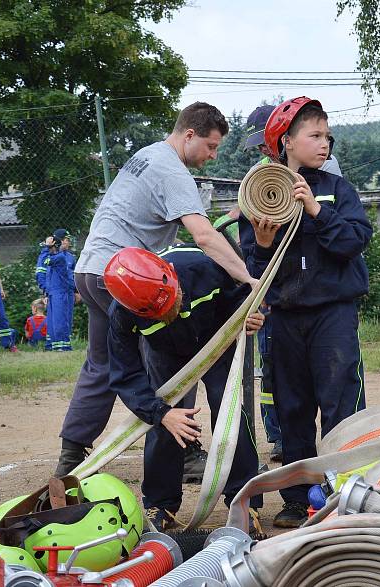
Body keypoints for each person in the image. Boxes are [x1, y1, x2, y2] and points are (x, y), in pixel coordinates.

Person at [54, 102, 257, 478]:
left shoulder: (147, 155)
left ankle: (72, 455)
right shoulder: (173, 172)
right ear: (189, 135)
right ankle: (184, 449)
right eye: (211, 147)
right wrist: (248, 279)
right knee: (176, 353)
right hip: (127, 278)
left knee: (101, 364)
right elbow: (202, 236)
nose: (212, 156)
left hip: (92, 269)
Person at [238, 97, 372, 527]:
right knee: (292, 408)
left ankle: (345, 490)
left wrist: (315, 209)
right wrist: (260, 244)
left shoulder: (335, 189)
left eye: (327, 136)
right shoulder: (259, 192)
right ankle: (297, 498)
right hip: (285, 315)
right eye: (314, 136)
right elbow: (251, 271)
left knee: (341, 401)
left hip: (333, 313)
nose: (324, 143)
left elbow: (353, 242)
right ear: (286, 142)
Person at [104, 245, 265, 532]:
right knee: (167, 421)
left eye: (173, 301)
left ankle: (244, 500)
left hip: (216, 342)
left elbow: (239, 299)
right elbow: (125, 374)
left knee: (228, 410)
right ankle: (160, 504)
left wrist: (248, 318)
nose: (173, 311)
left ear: (171, 277)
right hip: (166, 355)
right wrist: (161, 413)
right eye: (161, 313)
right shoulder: (122, 314)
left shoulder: (203, 268)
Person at [43, 229, 77, 351]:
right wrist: (45, 292)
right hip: (55, 291)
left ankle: (62, 345)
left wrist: (76, 291)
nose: (69, 243)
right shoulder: (57, 256)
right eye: (67, 240)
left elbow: (73, 276)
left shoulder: (65, 257)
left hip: (65, 291)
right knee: (55, 319)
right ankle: (55, 345)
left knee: (62, 319)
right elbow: (45, 273)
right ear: (61, 241)